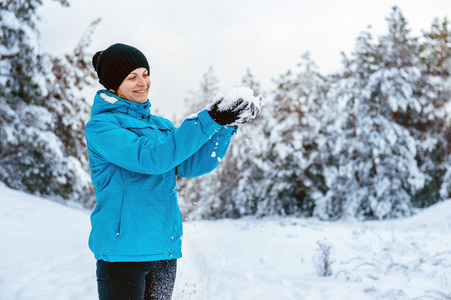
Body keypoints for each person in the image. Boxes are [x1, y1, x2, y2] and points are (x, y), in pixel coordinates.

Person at [85, 43, 262, 300]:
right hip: (123, 254)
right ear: (113, 85)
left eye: (145, 74)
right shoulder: (102, 127)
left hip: (164, 251)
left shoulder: (160, 126)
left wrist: (224, 125)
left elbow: (193, 164)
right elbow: (152, 159)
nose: (142, 82)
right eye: (131, 77)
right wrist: (209, 117)